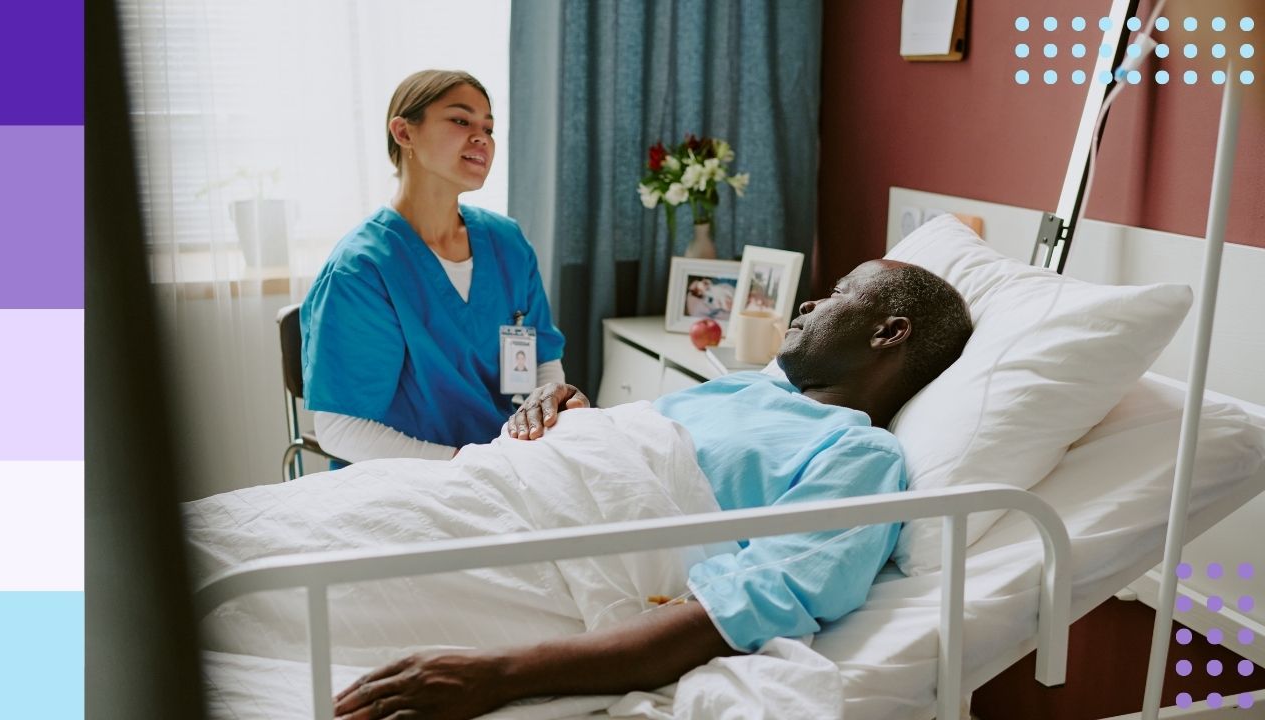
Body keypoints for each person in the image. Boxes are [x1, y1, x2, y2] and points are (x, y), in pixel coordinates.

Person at [332, 259, 973, 720]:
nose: (808, 304)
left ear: (888, 333)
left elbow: (737, 611)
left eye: (836, 294)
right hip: (495, 485)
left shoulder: (861, 455)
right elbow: (641, 455)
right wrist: (579, 415)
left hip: (542, 552)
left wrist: (498, 674)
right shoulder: (746, 387)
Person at [299, 70, 565, 464]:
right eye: (461, 120)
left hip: (512, 464)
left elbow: (541, 362)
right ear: (404, 133)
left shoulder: (507, 243)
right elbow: (342, 429)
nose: (482, 138)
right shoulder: (362, 270)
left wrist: (542, 415)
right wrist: (464, 464)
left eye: (489, 128)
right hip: (409, 480)